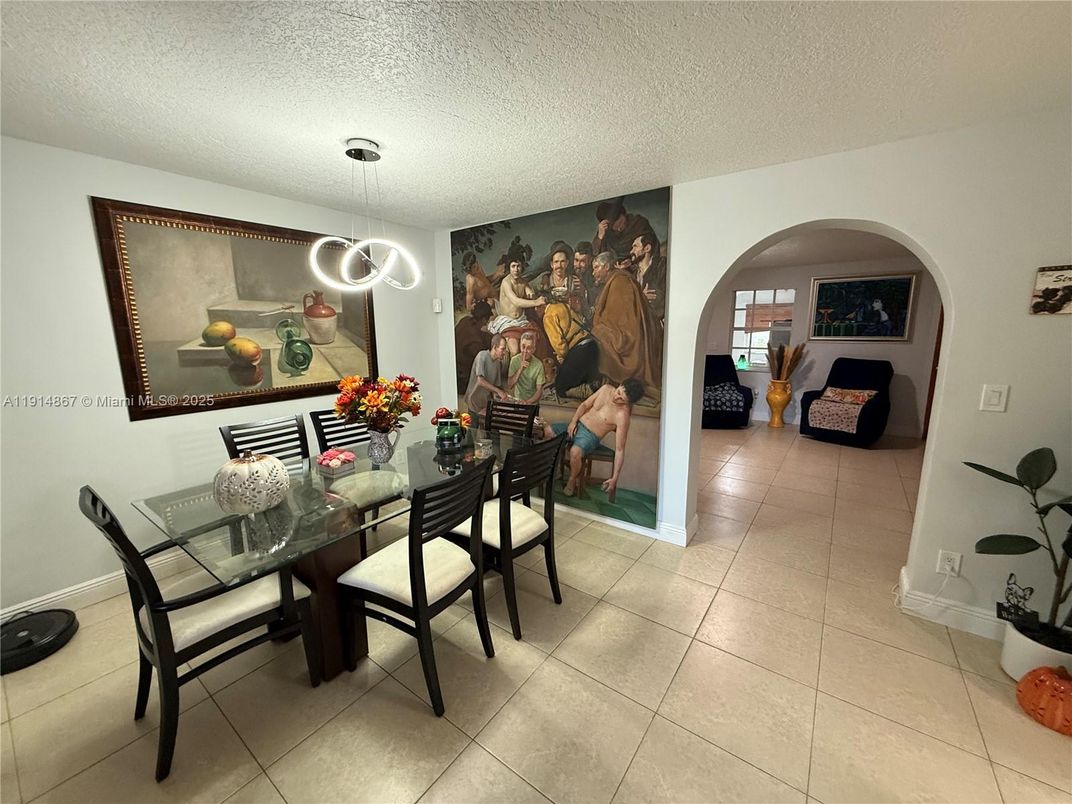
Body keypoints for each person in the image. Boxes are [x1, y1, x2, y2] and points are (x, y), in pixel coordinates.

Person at [546, 378, 644, 498]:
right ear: (620, 384)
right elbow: (585, 405)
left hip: (590, 436)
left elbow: (620, 449)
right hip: (578, 424)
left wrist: (615, 478)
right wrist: (573, 422)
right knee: (548, 431)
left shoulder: (622, 416)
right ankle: (554, 470)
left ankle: (572, 480)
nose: (616, 398)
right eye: (619, 392)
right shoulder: (606, 389)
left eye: (622, 400)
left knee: (575, 452)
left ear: (628, 403)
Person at [591, 253, 664, 401]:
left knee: (597, 335)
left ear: (606, 267)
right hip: (626, 333)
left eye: (596, 267)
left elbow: (626, 324)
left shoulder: (620, 283)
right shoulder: (617, 281)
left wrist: (601, 328)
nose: (593, 272)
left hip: (630, 339)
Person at [542, 289, 602, 398]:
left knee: (560, 388)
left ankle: (588, 391)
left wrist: (563, 356)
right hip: (592, 344)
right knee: (586, 377)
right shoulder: (564, 306)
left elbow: (559, 345)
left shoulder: (548, 315)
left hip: (580, 350)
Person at [488, 255, 545, 356]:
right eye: (513, 266)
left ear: (522, 267)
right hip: (508, 322)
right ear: (509, 268)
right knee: (514, 351)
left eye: (518, 266)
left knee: (536, 342)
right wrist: (536, 302)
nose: (516, 269)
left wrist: (533, 296)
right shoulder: (506, 282)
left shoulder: (523, 282)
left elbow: (530, 293)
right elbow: (516, 301)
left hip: (521, 321)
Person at [592, 197, 658, 260]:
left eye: (620, 223)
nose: (619, 229)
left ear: (623, 214)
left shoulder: (638, 223)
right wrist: (600, 237)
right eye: (615, 228)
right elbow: (597, 256)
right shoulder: (606, 233)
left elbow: (653, 247)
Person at [465, 334, 509, 421]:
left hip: (485, 406)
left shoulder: (498, 364)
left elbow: (495, 388)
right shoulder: (482, 356)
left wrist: (504, 397)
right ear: (495, 347)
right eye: (502, 349)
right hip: (474, 403)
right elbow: (480, 381)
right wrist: (498, 391)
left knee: (489, 429)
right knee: (472, 429)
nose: (504, 352)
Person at [454, 300, 493, 393]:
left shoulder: (464, 320)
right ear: (484, 319)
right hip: (463, 380)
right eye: (487, 320)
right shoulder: (475, 339)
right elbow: (482, 360)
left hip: (455, 371)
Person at [630, 232, 666, 319]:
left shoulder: (661, 267)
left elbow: (661, 300)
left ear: (647, 248)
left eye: (635, 246)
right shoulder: (633, 276)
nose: (631, 251)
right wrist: (641, 297)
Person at [506, 331, 546, 405]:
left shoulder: (538, 365)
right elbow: (510, 385)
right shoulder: (514, 360)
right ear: (520, 346)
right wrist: (520, 369)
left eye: (529, 348)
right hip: (518, 401)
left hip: (532, 403)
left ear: (533, 349)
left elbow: (539, 390)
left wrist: (527, 402)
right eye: (523, 347)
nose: (525, 351)